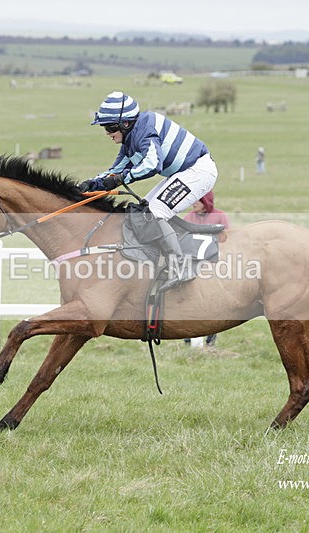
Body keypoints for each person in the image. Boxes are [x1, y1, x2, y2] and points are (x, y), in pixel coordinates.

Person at [79, 91, 218, 292]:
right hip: (183, 172)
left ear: (125, 123)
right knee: (142, 212)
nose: (107, 133)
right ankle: (160, 259)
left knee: (155, 212)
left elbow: (153, 164)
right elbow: (116, 169)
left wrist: (120, 179)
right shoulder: (130, 138)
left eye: (110, 127)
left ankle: (181, 268)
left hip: (198, 171)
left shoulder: (145, 129)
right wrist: (92, 185)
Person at [183, 190, 230, 347]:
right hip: (192, 264)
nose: (193, 204)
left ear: (206, 202)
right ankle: (187, 337)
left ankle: (210, 340)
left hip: (213, 265)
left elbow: (226, 239)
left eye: (197, 201)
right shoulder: (189, 217)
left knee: (211, 302)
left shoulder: (220, 217)